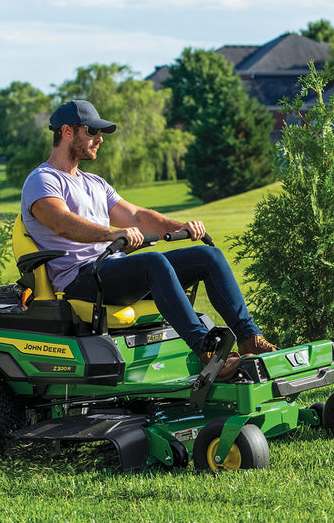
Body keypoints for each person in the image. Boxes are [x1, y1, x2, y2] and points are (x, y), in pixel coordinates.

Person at [21, 99, 276, 379]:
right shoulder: (43, 180)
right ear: (67, 131)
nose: (100, 140)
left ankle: (250, 338)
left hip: (110, 272)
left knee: (208, 257)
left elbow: (137, 217)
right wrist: (111, 233)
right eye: (92, 132)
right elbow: (62, 223)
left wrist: (183, 227)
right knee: (152, 262)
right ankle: (209, 353)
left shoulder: (94, 182)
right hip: (80, 279)